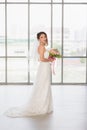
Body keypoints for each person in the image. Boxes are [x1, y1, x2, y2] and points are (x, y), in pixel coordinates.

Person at [4, 32, 54, 117]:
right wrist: (50, 60)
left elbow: (42, 58)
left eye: (45, 37)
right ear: (38, 39)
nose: (44, 38)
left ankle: (45, 105)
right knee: (43, 86)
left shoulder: (43, 47)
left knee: (44, 86)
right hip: (44, 68)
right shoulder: (41, 47)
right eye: (42, 37)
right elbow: (41, 59)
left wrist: (50, 58)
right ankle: (42, 106)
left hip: (45, 68)